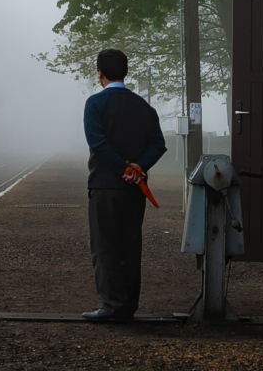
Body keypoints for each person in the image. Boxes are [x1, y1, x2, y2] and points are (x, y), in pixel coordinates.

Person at [82, 48, 167, 321]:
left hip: (105, 186)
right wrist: (137, 168)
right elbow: (158, 144)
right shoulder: (144, 107)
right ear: (126, 72)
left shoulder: (95, 104)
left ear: (100, 73)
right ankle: (128, 305)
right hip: (135, 189)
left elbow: (98, 144)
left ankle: (112, 306)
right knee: (130, 246)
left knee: (105, 246)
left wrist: (122, 169)